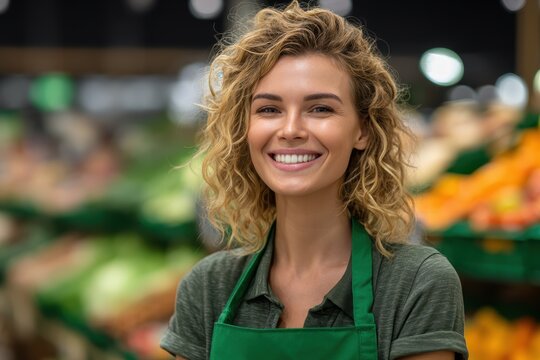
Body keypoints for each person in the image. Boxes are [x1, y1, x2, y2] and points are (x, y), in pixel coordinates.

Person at [160, 1, 468, 359]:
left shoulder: (417, 283)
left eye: (320, 108)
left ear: (363, 130)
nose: (290, 130)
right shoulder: (208, 288)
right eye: (269, 109)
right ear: (245, 129)